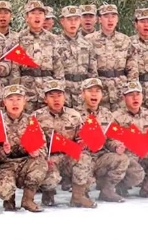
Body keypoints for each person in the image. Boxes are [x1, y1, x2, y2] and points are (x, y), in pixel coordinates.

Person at [36, 79, 96, 208]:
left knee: (84, 158)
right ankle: (48, 193)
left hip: (69, 156)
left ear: (64, 97)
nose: (56, 99)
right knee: (49, 176)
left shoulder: (74, 115)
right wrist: (42, 157)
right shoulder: (37, 117)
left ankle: (78, 197)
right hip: (49, 158)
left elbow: (81, 137)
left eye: (59, 95)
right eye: (51, 96)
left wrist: (83, 141)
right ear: (45, 99)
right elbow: (33, 142)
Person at [0, 84, 48, 212]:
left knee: (40, 164)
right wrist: (3, 152)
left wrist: (37, 152)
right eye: (10, 99)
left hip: (26, 163)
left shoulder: (31, 121)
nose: (15, 103)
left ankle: (28, 199)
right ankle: (9, 199)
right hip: (6, 165)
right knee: (5, 190)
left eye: (18, 99)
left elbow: (42, 145)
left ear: (24, 101)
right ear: (4, 102)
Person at [112, 81, 148, 198]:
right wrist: (118, 145)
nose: (135, 98)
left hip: (145, 151)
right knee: (135, 173)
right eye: (131, 95)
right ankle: (121, 185)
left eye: (138, 94)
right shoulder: (116, 116)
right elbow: (111, 138)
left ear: (142, 96)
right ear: (124, 98)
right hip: (128, 153)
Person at [75, 78, 129, 202]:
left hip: (101, 156)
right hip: (83, 156)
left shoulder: (107, 114)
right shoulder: (74, 114)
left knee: (121, 159)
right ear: (82, 93)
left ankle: (107, 191)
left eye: (97, 91)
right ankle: (81, 193)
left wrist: (117, 146)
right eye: (90, 91)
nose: (94, 94)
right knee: (83, 165)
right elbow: (69, 140)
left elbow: (110, 138)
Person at [12, 0, 63, 112]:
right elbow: (15, 69)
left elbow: (58, 67)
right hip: (27, 90)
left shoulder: (53, 39)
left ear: (44, 17)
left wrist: (58, 90)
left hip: (48, 90)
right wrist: (17, 93)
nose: (37, 16)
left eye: (40, 13)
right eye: (33, 13)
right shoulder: (18, 38)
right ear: (26, 17)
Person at [86, 4, 130, 111]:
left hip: (121, 89)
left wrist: (131, 89)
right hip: (100, 89)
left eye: (113, 16)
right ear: (99, 19)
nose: (110, 20)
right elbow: (88, 67)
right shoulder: (89, 40)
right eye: (106, 16)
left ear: (117, 19)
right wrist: (94, 90)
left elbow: (132, 66)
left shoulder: (125, 40)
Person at [57, 6, 97, 108]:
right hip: (64, 92)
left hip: (82, 93)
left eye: (76, 19)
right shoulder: (55, 43)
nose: (73, 23)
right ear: (62, 21)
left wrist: (92, 92)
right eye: (69, 19)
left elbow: (92, 72)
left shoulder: (87, 43)